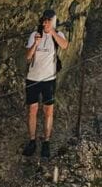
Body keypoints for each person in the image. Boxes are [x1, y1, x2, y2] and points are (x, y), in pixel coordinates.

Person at [23, 9, 69, 159]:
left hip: (49, 79)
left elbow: (64, 46)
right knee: (32, 110)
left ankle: (46, 142)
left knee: (48, 111)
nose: (46, 23)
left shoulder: (58, 35)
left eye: (49, 21)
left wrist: (53, 33)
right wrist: (36, 44)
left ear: (53, 22)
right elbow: (28, 57)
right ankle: (32, 141)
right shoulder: (34, 35)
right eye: (44, 21)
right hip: (33, 78)